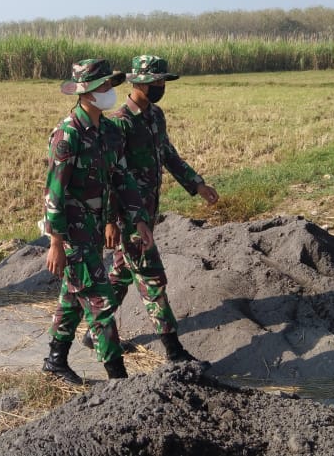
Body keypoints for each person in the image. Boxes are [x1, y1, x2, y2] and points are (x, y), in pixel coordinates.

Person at [93, 55, 219, 362]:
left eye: (163, 81)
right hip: (128, 216)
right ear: (137, 83)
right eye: (155, 82)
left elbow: (169, 154)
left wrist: (197, 184)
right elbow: (110, 177)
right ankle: (173, 349)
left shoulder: (155, 116)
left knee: (122, 273)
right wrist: (110, 221)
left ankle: (95, 331)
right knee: (151, 276)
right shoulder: (120, 123)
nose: (160, 86)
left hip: (148, 211)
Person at [42, 58, 155, 384]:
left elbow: (123, 179)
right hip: (73, 232)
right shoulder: (68, 136)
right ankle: (118, 380)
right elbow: (54, 193)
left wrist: (138, 220)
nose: (111, 91)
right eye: (105, 86)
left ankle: (54, 360)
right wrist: (55, 242)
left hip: (92, 229)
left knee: (72, 295)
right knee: (100, 303)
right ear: (88, 92)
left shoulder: (108, 131)